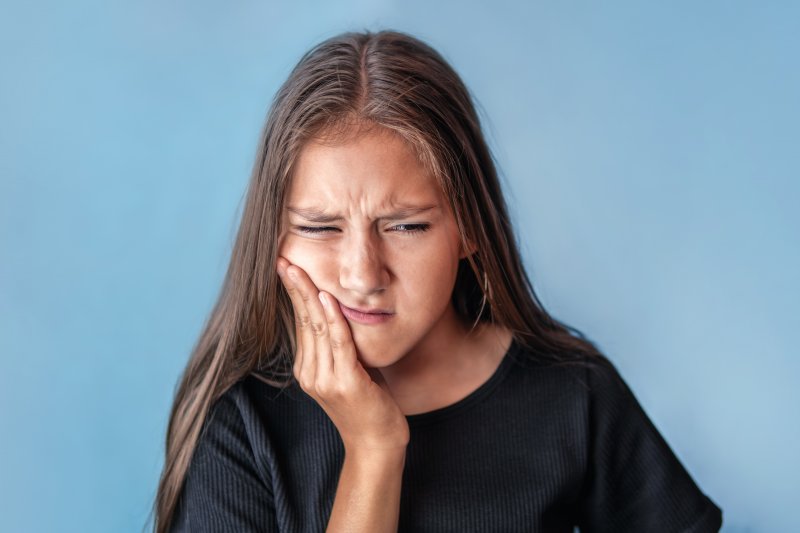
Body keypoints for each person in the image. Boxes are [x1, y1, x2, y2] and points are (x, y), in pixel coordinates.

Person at [152, 30, 723, 532]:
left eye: (405, 226)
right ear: (274, 238)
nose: (362, 275)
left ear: (469, 227)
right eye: (321, 227)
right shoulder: (241, 423)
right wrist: (373, 450)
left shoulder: (574, 393)